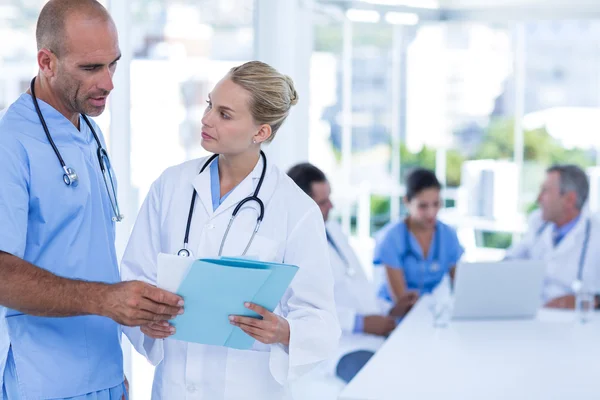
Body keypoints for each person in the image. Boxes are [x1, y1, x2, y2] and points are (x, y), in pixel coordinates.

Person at [121, 61, 340, 399]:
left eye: (225, 114)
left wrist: (284, 331)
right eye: (210, 105)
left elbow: (321, 319)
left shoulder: (295, 209)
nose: (207, 119)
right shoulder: (171, 186)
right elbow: (135, 275)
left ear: (261, 132)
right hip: (175, 386)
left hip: (247, 388)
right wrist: (144, 320)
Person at [0, 1, 184, 399]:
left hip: (102, 373)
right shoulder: (10, 143)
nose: (108, 83)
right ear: (46, 62)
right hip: (43, 381)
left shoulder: (86, 129)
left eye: (113, 64)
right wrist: (106, 300)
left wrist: (112, 373)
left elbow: (86, 251)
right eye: (90, 68)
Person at [287, 162, 418, 383]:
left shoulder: (332, 229)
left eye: (329, 198)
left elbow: (357, 286)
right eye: (322, 202)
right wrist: (360, 323)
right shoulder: (291, 247)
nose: (331, 206)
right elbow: (301, 308)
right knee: (382, 383)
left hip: (372, 337)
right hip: (340, 348)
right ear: (300, 204)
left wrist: (390, 309)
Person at [505, 164, 600, 309]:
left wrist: (593, 301)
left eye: (545, 191)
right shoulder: (538, 223)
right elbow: (510, 260)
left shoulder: (595, 232)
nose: (538, 199)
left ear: (569, 199)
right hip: (535, 316)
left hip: (577, 324)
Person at [373, 168, 464, 301]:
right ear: (407, 202)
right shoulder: (391, 238)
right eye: (423, 206)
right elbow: (401, 301)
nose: (431, 213)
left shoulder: (448, 236)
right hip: (397, 314)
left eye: (436, 204)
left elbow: (459, 287)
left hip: (431, 310)